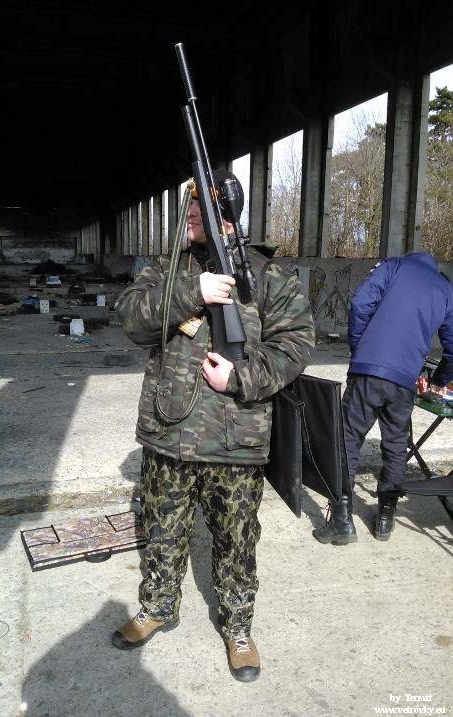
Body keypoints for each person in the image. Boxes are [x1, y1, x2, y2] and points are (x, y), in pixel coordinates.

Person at [112, 170, 315, 682]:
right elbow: (132, 320)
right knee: (161, 529)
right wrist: (191, 291)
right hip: (169, 432)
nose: (189, 215)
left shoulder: (267, 275)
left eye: (199, 207)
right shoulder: (169, 268)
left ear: (226, 216)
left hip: (236, 438)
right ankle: (157, 607)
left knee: (236, 540)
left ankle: (238, 627)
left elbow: (296, 344)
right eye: (188, 206)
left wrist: (240, 377)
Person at [314, 252, 453, 545]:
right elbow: (452, 346)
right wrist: (438, 381)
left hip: (368, 371)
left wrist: (359, 347)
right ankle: (386, 517)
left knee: (348, 439)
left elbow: (360, 303)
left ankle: (342, 520)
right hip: (405, 380)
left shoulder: (393, 267)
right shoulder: (444, 288)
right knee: (396, 444)